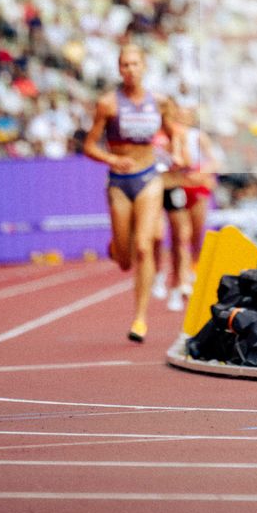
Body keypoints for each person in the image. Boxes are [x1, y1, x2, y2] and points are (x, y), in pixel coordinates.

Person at [83, 40, 175, 342]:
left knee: (144, 247)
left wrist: (177, 156)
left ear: (144, 67)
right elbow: (89, 145)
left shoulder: (160, 102)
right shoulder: (108, 103)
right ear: (119, 69)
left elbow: (174, 136)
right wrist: (112, 158)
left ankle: (140, 319)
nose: (131, 70)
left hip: (149, 178)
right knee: (124, 260)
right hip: (120, 182)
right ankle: (117, 247)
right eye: (125, 65)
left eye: (135, 64)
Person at [162, 93, 219, 312]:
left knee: (196, 233)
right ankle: (183, 277)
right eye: (180, 114)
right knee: (181, 234)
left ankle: (194, 267)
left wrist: (202, 173)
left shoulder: (198, 136)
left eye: (187, 114)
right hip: (179, 185)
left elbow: (213, 160)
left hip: (197, 186)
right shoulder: (170, 135)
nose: (184, 117)